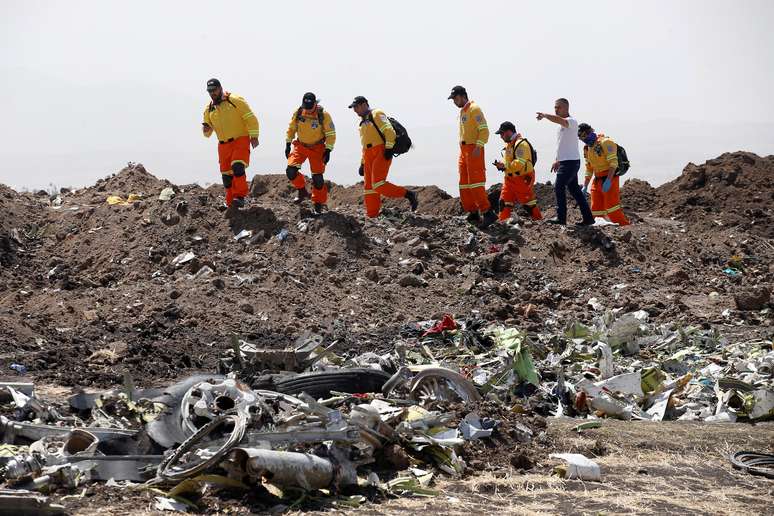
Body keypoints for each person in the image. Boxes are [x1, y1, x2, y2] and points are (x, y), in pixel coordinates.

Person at [348, 96, 418, 217]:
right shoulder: (362, 123)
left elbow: (390, 132)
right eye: (353, 108)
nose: (355, 110)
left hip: (380, 151)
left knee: (378, 184)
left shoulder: (377, 114)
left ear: (364, 104)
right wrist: (362, 162)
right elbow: (365, 145)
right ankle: (372, 215)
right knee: (369, 188)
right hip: (368, 155)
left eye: (356, 107)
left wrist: (389, 149)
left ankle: (408, 194)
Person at [201, 78, 259, 209]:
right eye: (209, 91)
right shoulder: (209, 109)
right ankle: (230, 203)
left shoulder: (235, 100)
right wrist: (206, 129)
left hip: (240, 140)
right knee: (227, 177)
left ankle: (240, 196)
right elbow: (207, 133)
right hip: (223, 146)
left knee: (238, 167)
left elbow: (251, 118)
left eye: (214, 90)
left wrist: (254, 136)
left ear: (220, 88)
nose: (212, 93)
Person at [536, 98, 594, 225]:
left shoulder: (572, 122)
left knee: (559, 186)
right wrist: (557, 160)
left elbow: (559, 120)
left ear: (566, 108)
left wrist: (545, 115)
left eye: (558, 107)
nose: (556, 110)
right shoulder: (560, 127)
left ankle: (561, 218)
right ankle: (589, 218)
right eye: (555, 108)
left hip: (571, 162)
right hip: (566, 162)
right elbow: (561, 145)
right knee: (575, 191)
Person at [448, 86, 497, 227]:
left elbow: (484, 130)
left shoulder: (474, 109)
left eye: (456, 98)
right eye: (453, 99)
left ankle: (487, 212)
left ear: (463, 96)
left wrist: (479, 146)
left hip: (473, 149)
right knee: (464, 184)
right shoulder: (464, 111)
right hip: (463, 150)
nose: (454, 102)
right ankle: (473, 212)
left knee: (475, 182)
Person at [285, 92, 336, 214]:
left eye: (310, 107)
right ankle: (302, 190)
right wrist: (287, 143)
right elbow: (291, 128)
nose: (307, 110)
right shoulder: (299, 112)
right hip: (300, 146)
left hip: (317, 148)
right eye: (305, 107)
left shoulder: (323, 115)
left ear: (315, 104)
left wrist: (328, 150)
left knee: (318, 178)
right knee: (291, 171)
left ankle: (318, 203)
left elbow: (331, 134)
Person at [578, 123, 630, 225]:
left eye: (584, 136)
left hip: (609, 177)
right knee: (596, 210)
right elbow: (589, 168)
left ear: (589, 132)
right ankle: (601, 229)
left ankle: (625, 228)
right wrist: (585, 185)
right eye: (580, 137)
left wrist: (609, 180)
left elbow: (613, 163)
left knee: (612, 208)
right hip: (597, 179)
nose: (583, 139)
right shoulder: (587, 148)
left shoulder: (606, 142)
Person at [493, 122, 543, 222]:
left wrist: (505, 166)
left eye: (502, 134)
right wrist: (501, 165)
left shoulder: (521, 144)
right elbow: (509, 161)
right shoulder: (509, 145)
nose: (501, 137)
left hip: (522, 179)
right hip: (509, 179)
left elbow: (519, 163)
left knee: (528, 204)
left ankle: (539, 222)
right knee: (504, 202)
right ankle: (503, 222)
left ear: (509, 132)